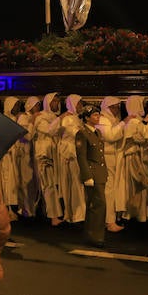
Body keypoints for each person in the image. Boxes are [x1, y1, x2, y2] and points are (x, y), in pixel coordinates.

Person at [75, 105, 109, 247]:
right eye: (94, 115)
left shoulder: (97, 132)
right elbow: (81, 156)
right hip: (92, 173)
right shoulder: (82, 134)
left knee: (95, 205)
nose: (97, 117)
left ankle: (91, 235)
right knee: (98, 204)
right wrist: (87, 175)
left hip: (99, 173)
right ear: (87, 118)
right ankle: (96, 237)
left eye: (98, 114)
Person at [33, 92, 63, 225]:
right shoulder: (41, 117)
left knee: (53, 185)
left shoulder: (53, 117)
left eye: (58, 101)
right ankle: (53, 216)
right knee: (48, 185)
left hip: (54, 154)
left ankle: (53, 213)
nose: (57, 103)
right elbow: (50, 131)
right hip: (44, 155)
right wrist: (61, 118)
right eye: (54, 101)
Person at [96, 97, 125, 232]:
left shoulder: (112, 120)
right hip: (106, 158)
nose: (116, 110)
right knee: (108, 190)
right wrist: (124, 124)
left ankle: (110, 219)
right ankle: (109, 221)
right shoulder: (103, 120)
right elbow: (110, 136)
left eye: (117, 107)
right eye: (113, 107)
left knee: (112, 189)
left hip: (112, 158)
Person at [57, 94, 86, 224]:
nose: (81, 106)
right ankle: (76, 214)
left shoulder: (75, 118)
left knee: (77, 184)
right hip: (70, 154)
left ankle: (77, 213)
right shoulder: (68, 119)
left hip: (74, 154)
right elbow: (76, 134)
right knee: (74, 184)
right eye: (79, 103)